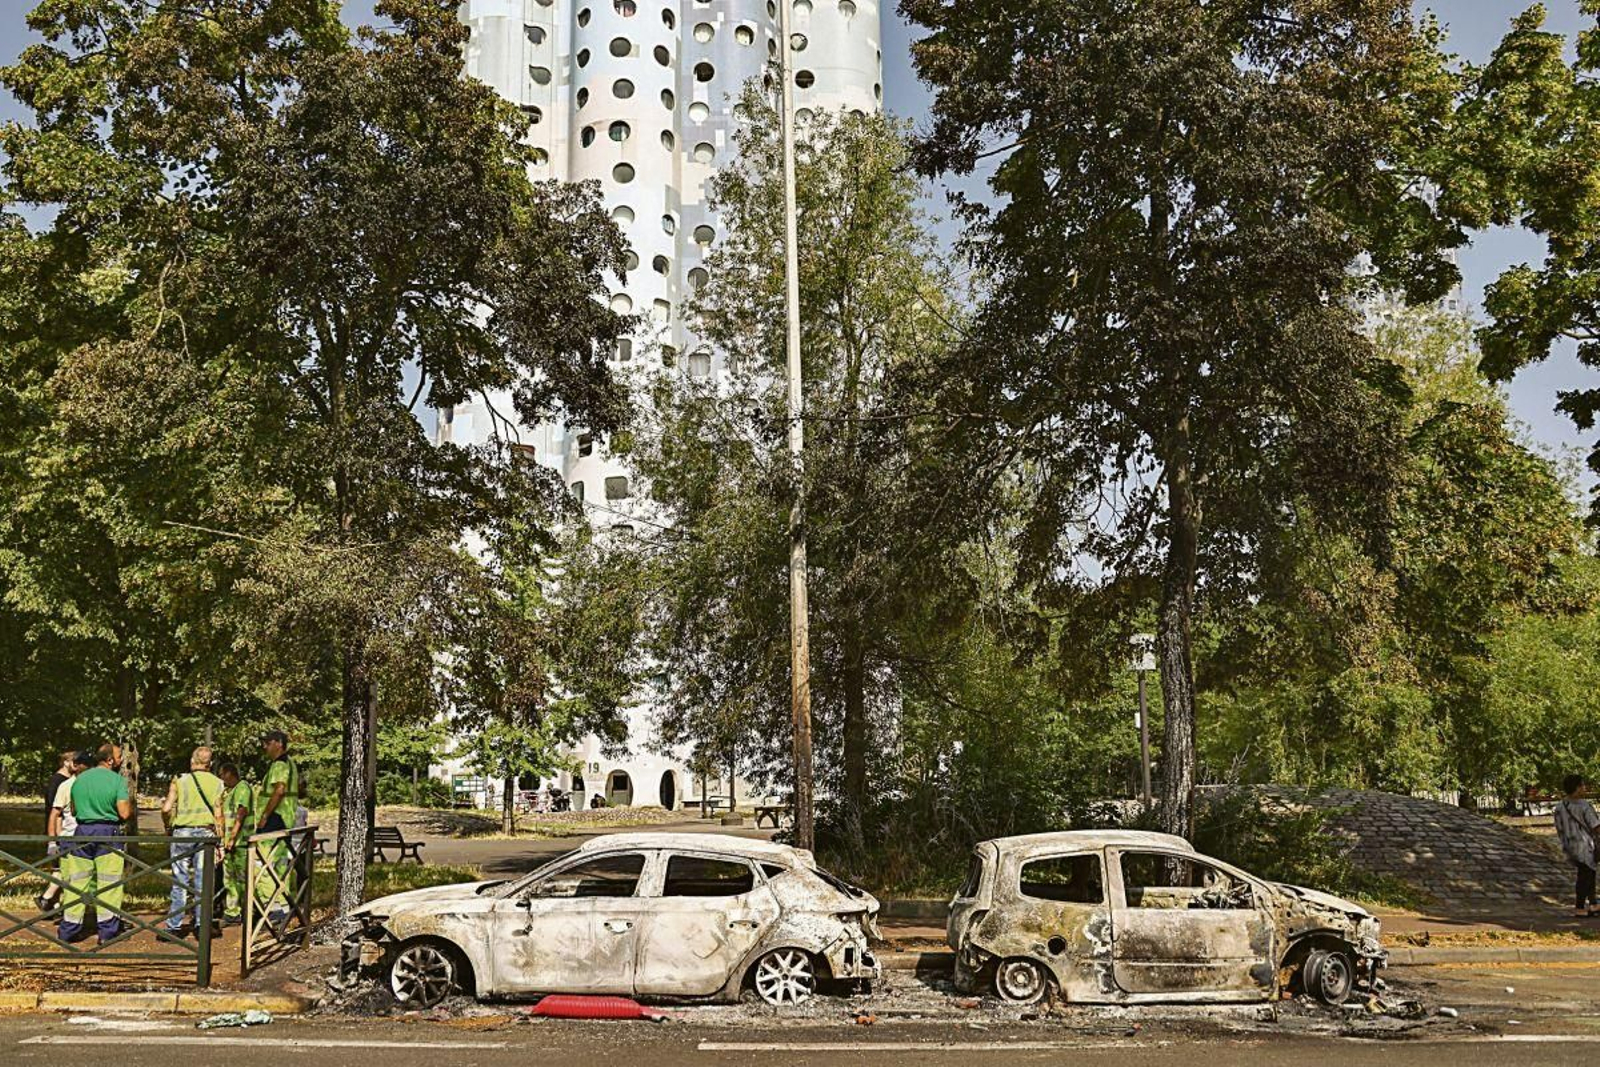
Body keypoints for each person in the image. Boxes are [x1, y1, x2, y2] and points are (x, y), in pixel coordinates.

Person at [58, 744, 132, 944]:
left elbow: (73, 810)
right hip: (108, 833)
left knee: (76, 883)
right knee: (109, 883)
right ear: (109, 760)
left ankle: (68, 930)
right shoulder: (118, 780)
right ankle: (107, 932)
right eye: (118, 757)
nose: (120, 760)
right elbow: (124, 813)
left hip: (81, 832)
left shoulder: (80, 780)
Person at [160, 746, 225, 938]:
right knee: (202, 881)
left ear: (192, 761)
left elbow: (166, 809)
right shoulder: (218, 783)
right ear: (210, 764)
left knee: (179, 880)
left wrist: (168, 827)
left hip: (182, 833)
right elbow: (219, 815)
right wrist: (220, 842)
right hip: (206, 833)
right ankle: (201, 925)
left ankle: (174, 926)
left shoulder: (180, 781)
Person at [254, 731, 301, 924]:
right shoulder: (289, 763)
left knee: (260, 862)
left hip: (275, 819)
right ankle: (284, 906)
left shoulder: (280, 764)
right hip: (285, 819)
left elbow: (279, 790)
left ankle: (272, 908)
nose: (264, 747)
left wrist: (265, 815)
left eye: (267, 742)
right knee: (281, 864)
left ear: (278, 744)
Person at [38, 750, 80, 912]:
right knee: (62, 869)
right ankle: (47, 898)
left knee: (62, 869)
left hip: (63, 832)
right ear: (66, 763)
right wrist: (53, 838)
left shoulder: (65, 780)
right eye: (74, 762)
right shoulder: (59, 781)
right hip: (61, 831)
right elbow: (56, 812)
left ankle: (53, 905)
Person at [1555, 774, 1600, 917]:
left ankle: (1593, 904)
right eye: (1582, 785)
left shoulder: (1560, 806)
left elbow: (1559, 827)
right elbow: (1595, 826)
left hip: (1570, 845)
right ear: (1577, 788)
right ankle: (1580, 906)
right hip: (1585, 845)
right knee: (1585, 876)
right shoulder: (1584, 806)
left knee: (1588, 873)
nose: (1584, 788)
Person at [217, 762, 254, 924]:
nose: (221, 778)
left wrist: (232, 837)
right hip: (231, 842)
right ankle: (233, 911)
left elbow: (241, 812)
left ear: (229, 773)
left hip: (240, 841)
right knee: (229, 878)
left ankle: (247, 910)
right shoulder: (231, 792)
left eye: (222, 774)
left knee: (242, 877)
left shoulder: (242, 788)